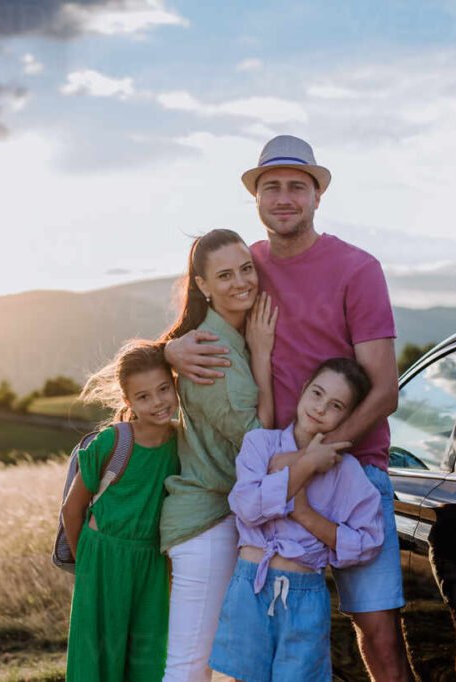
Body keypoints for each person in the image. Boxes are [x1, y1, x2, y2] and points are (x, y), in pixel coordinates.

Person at [166, 135, 411, 681]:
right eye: (271, 187)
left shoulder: (357, 268)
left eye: (297, 187)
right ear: (255, 198)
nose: (284, 198)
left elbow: (385, 389)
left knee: (376, 630)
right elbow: (198, 308)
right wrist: (167, 350)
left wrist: (322, 455)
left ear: (317, 196)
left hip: (352, 469)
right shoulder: (246, 265)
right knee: (269, 638)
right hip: (269, 471)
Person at [157, 228, 288, 682]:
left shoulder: (228, 335)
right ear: (203, 286)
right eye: (225, 275)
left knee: (216, 666)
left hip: (223, 520)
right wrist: (263, 358)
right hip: (206, 525)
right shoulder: (210, 350)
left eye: (247, 269)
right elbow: (259, 444)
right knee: (190, 668)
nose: (241, 282)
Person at [209, 357, 385, 681]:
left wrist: (306, 515)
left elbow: (367, 543)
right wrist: (306, 465)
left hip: (305, 596)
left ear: (346, 417)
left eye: (335, 405)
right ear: (304, 389)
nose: (320, 408)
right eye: (317, 394)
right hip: (250, 588)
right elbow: (247, 507)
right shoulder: (260, 445)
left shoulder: (347, 472)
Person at [60, 340, 180, 682]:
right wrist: (87, 565)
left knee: (148, 656)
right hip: (102, 556)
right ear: (128, 402)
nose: (157, 402)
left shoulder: (181, 443)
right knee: (98, 657)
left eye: (163, 389)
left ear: (175, 384)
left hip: (151, 561)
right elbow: (72, 509)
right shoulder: (113, 442)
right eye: (143, 397)